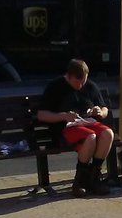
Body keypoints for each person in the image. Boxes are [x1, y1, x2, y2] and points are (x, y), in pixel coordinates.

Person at [37, 59, 115, 197]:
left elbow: (104, 108)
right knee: (90, 137)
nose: (81, 85)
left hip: (88, 122)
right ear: (69, 76)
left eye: (83, 81)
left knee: (107, 133)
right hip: (66, 127)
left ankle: (94, 176)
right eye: (77, 82)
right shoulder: (55, 87)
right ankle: (79, 181)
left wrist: (100, 112)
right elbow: (42, 115)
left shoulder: (90, 86)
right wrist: (63, 116)